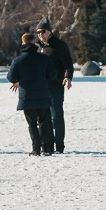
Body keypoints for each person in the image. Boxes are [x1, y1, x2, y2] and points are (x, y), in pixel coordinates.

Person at [7, 32, 59, 156]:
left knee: (32, 124)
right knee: (44, 122)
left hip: (27, 97)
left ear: (23, 42)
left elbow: (11, 77)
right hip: (43, 95)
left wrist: (19, 81)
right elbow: (53, 75)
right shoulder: (44, 58)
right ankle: (46, 148)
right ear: (33, 42)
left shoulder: (18, 60)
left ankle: (36, 149)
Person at [35, 19, 74, 154]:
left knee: (56, 116)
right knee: (44, 118)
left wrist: (68, 77)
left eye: (42, 32)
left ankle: (59, 146)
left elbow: (68, 64)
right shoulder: (37, 47)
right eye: (38, 32)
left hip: (55, 86)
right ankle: (48, 145)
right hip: (41, 88)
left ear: (49, 31)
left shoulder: (59, 45)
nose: (40, 35)